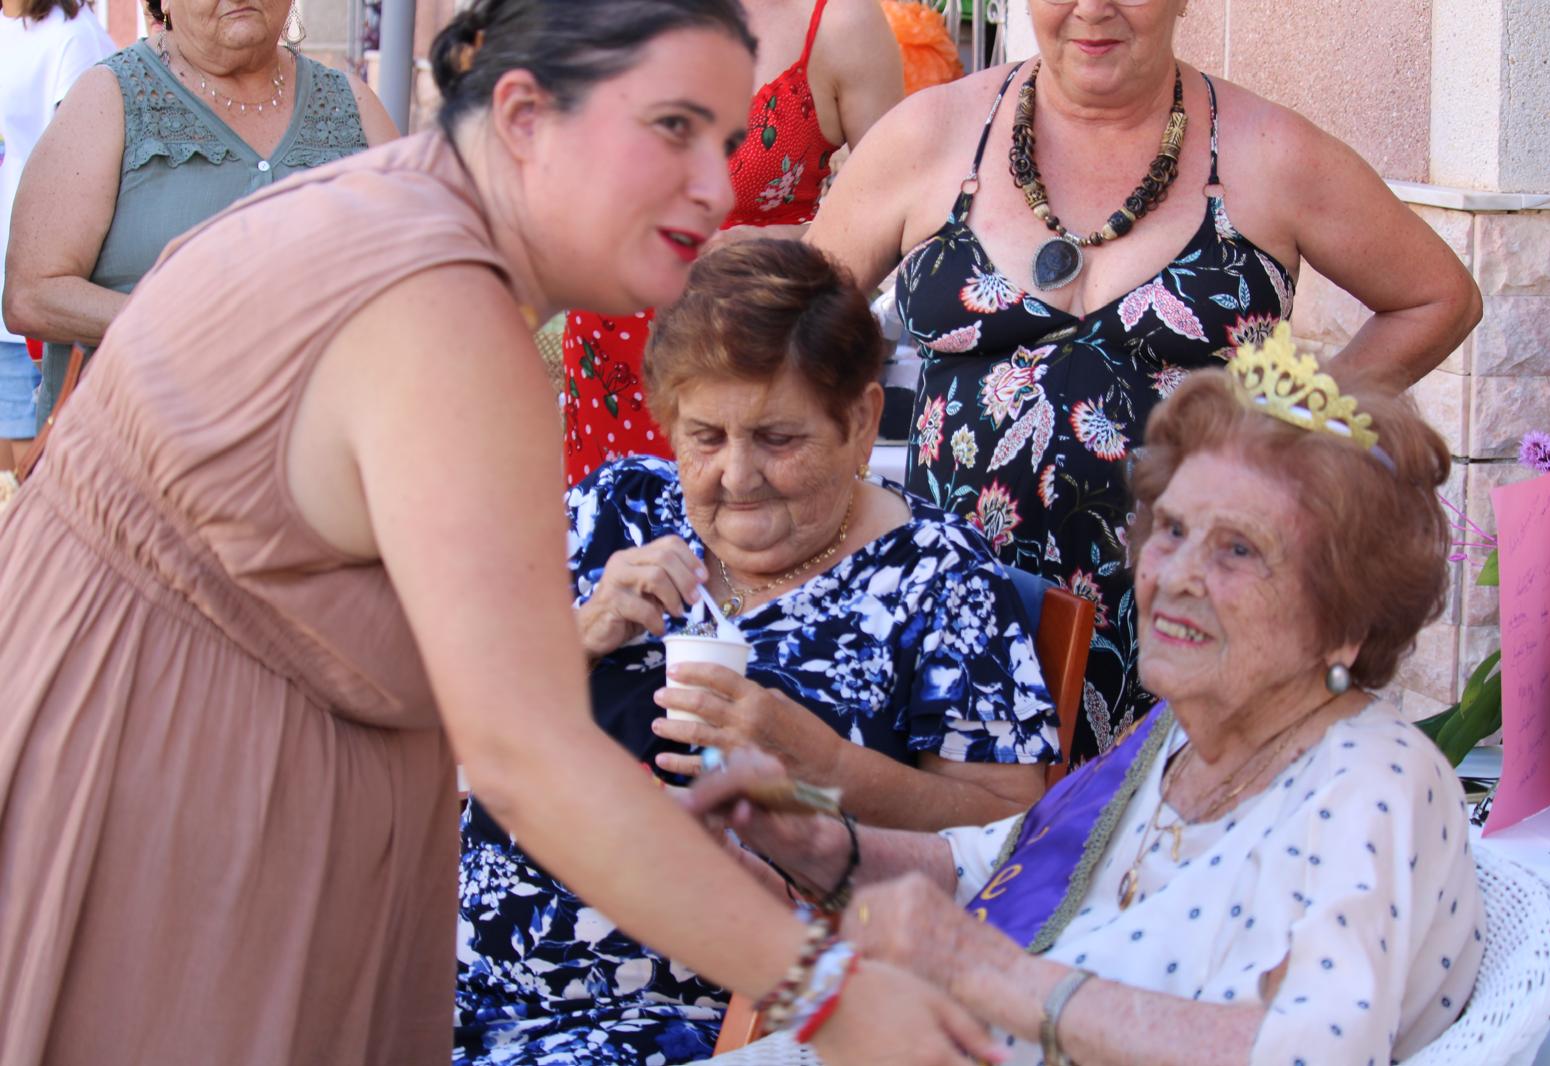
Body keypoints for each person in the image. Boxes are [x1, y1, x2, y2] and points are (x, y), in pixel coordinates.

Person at [0, 3, 1000, 1064]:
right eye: (672, 129)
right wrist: (828, 994)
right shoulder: (443, 316)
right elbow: (529, 761)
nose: (717, 190)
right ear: (523, 115)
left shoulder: (378, 213)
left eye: (726, 140)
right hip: (177, 855)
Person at [690, 330, 1484, 1066]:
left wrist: (988, 970)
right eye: (1172, 530)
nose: (1176, 576)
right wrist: (818, 841)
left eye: (1239, 550)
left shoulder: (1370, 780)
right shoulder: (1175, 739)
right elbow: (997, 867)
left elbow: (1312, 1051)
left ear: (1347, 619)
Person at [806, 0, 1483, 763]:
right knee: (955, 836)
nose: (1093, 7)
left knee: (1146, 831)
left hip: (1184, 637)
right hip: (955, 630)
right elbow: (788, 338)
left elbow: (1438, 297)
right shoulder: (930, 136)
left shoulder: (1270, 154)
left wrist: (1292, 430)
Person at [456, 239, 1058, 1065]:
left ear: (860, 421)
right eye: (705, 436)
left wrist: (822, 763)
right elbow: (457, 713)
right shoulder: (619, 508)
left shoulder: (939, 579)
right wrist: (583, 635)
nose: (737, 476)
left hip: (696, 1016)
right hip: (457, 964)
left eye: (777, 438)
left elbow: (1009, 834)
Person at [2, 0, 397, 432]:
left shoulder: (352, 104)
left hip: (321, 451)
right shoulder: (109, 97)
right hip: (143, 451)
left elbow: (418, 272)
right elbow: (32, 296)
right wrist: (187, 325)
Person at [560, 0, 903, 487]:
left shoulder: (841, 22)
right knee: (617, 521)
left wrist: (789, 240)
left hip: (757, 361)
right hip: (610, 355)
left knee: (755, 525)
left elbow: (895, 207)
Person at [0, 0, 111, 466]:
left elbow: (83, 169)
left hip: (35, 297)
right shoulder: (9, 26)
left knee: (32, 474)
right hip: (6, 289)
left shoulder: (73, 37)